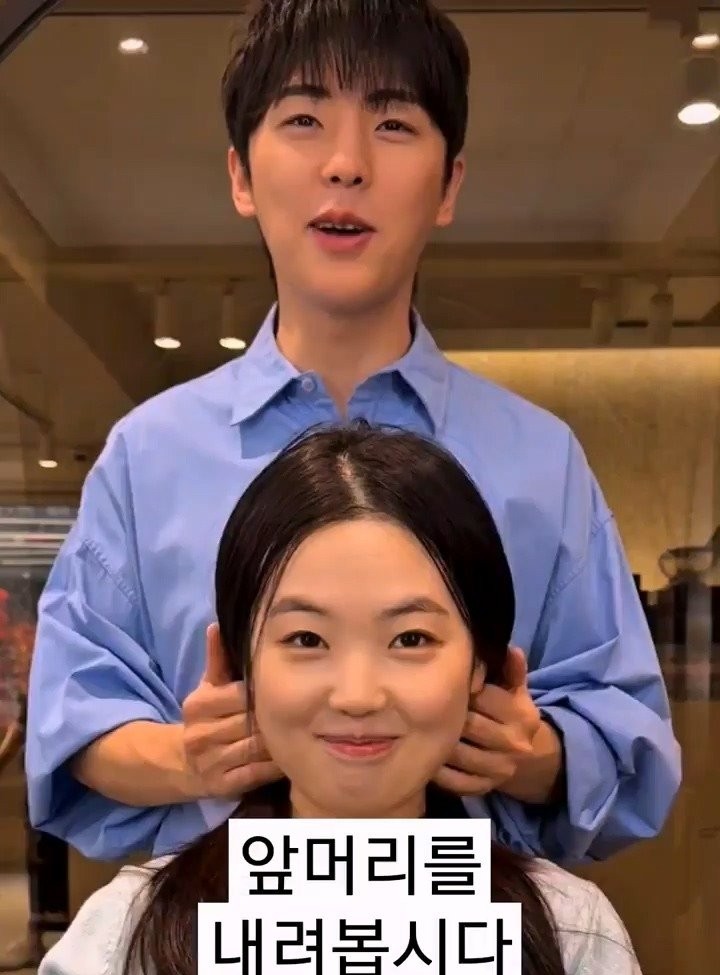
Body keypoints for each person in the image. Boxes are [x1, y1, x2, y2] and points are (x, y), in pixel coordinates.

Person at [0, 427, 682, 975]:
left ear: (486, 669)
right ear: (236, 664)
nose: (357, 695)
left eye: (412, 640)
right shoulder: (123, 946)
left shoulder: (573, 945)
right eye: (305, 640)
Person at [25, 0, 680, 867]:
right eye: (303, 120)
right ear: (241, 175)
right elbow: (70, 728)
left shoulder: (541, 459)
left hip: (468, 929)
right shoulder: (147, 456)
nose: (346, 163)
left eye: (394, 123)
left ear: (449, 185)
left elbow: (633, 742)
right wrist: (188, 759)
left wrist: (536, 754)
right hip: (219, 931)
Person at [0, 692, 69, 972]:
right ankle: (41, 937)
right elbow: (21, 727)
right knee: (43, 856)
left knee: (48, 856)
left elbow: (20, 729)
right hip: (48, 778)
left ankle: (42, 938)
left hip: (56, 779)